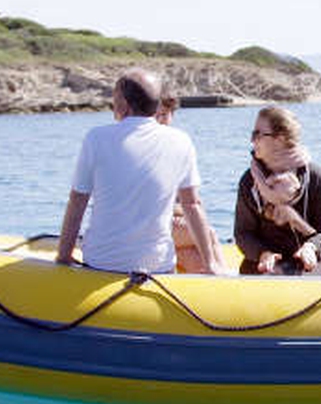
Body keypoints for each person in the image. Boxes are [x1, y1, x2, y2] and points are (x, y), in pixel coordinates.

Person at [55, 69, 222, 274]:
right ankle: (218, 273)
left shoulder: (96, 138)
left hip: (101, 263)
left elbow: (77, 201)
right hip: (158, 267)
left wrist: (63, 256)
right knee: (190, 254)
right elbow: (193, 205)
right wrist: (210, 263)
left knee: (187, 253)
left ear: (123, 104)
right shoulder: (181, 140)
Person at [235, 106, 321, 274]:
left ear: (280, 139)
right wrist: (263, 254)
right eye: (252, 134)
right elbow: (243, 234)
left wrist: (311, 247)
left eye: (257, 134)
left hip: (307, 264)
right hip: (262, 266)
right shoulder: (249, 181)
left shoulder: (314, 176)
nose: (252, 140)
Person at [156, 89, 227, 273]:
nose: (159, 121)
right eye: (155, 115)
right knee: (208, 233)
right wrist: (179, 212)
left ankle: (216, 283)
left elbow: (192, 201)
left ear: (172, 116)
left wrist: (181, 213)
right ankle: (225, 279)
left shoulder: (174, 148)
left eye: (164, 115)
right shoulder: (147, 150)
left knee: (191, 255)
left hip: (172, 220)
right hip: (153, 223)